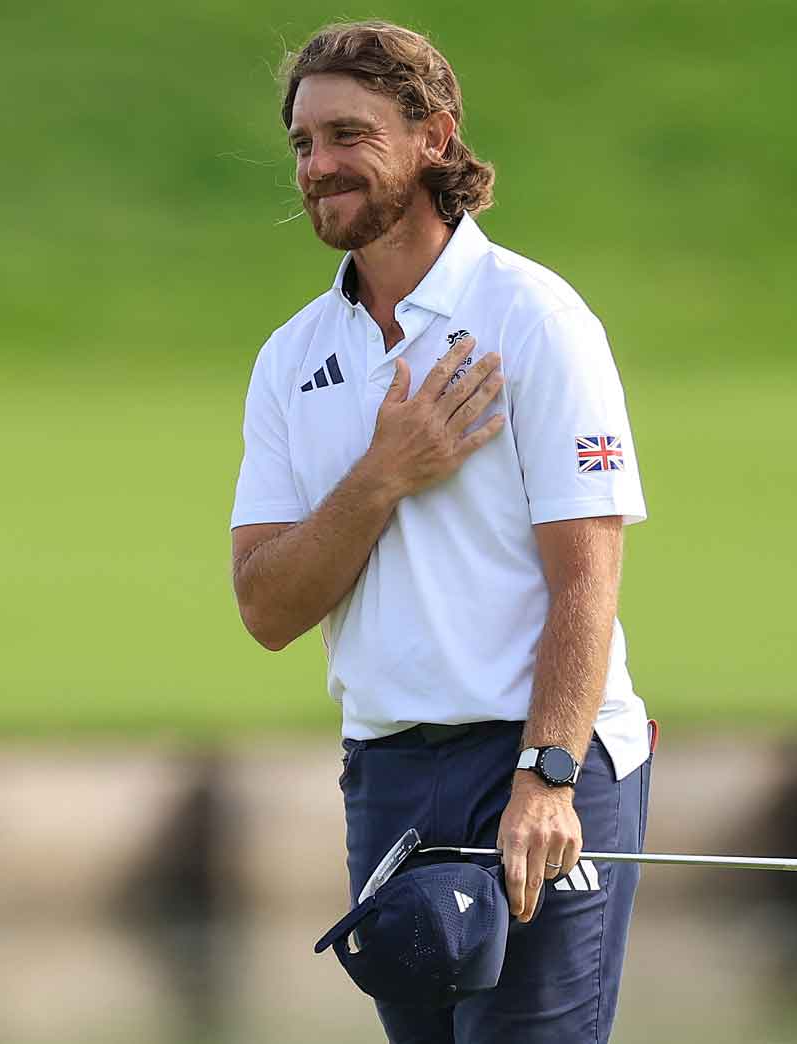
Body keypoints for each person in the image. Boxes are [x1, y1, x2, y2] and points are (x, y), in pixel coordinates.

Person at [229, 20, 654, 1042]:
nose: (318, 165)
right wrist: (380, 476)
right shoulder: (291, 358)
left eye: (346, 135)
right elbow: (268, 607)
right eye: (301, 144)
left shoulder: (534, 320)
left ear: (432, 136)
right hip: (386, 778)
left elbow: (585, 582)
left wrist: (546, 777)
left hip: (542, 762)